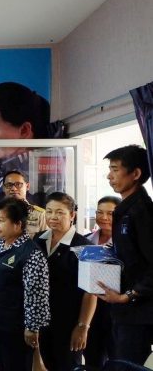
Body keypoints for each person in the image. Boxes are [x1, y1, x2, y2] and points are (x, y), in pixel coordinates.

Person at [96, 145, 153, 365]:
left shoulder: (142, 211)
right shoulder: (125, 209)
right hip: (124, 310)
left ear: (135, 174)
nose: (109, 176)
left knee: (127, 365)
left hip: (140, 312)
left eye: (115, 169)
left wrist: (128, 295)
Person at [0, 197, 50, 371]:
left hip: (17, 326)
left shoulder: (31, 253)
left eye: (1, 220)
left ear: (18, 224)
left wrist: (32, 327)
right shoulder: (0, 246)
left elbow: (36, 294)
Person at [34, 192, 96, 371]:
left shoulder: (85, 246)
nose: (53, 217)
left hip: (69, 321)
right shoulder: (38, 239)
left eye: (60, 212)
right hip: (42, 320)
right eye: (49, 211)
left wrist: (83, 326)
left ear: (72, 215)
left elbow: (90, 292)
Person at [84, 195, 120, 369]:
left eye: (110, 213)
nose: (104, 217)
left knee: (117, 358)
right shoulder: (86, 240)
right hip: (89, 309)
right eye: (99, 212)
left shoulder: (128, 243)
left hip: (117, 308)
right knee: (93, 358)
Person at [3, 170, 47, 236]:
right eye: (9, 185)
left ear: (27, 186)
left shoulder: (40, 215)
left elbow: (46, 240)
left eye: (18, 184)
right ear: (3, 188)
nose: (13, 188)